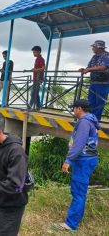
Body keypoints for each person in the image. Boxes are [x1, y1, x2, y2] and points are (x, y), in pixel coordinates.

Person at [52, 99, 99, 232]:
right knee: (80, 192)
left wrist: (68, 160)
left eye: (74, 108)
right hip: (89, 159)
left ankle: (70, 224)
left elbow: (79, 143)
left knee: (78, 192)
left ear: (79, 109)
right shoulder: (92, 120)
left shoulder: (84, 122)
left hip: (83, 160)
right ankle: (75, 218)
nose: (73, 111)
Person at [79, 40, 109, 121]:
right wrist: (84, 69)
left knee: (99, 103)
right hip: (93, 83)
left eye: (94, 47)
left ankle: (95, 120)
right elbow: (89, 67)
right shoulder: (94, 57)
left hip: (103, 84)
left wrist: (89, 69)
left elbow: (104, 67)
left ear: (99, 47)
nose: (92, 48)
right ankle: (90, 118)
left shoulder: (106, 55)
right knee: (91, 102)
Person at [28, 46, 45, 110]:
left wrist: (36, 70)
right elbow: (37, 68)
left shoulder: (41, 59)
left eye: (34, 52)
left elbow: (43, 68)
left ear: (38, 52)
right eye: (33, 52)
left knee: (33, 93)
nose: (33, 53)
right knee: (36, 93)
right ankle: (38, 106)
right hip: (35, 78)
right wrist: (33, 70)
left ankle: (29, 107)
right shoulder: (37, 59)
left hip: (38, 78)